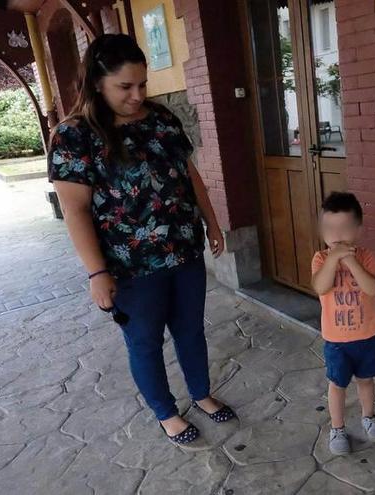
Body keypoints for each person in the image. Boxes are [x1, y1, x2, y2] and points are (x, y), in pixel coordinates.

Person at [47, 34, 235, 447]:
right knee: (145, 341)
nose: (137, 95)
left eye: (142, 85)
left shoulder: (162, 119)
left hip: (183, 249)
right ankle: (165, 412)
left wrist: (213, 223)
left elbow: (190, 174)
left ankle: (200, 393)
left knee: (191, 330)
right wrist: (96, 272)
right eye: (125, 87)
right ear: (98, 82)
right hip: (129, 266)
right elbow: (75, 210)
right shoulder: (74, 136)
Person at [311, 192, 375, 455]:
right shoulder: (321, 259)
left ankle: (369, 417)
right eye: (330, 229)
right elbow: (321, 287)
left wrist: (350, 260)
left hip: (367, 335)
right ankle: (338, 428)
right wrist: (334, 259)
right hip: (336, 341)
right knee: (337, 385)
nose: (336, 235)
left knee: (366, 380)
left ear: (358, 230)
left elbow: (372, 289)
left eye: (344, 229)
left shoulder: (366, 257)